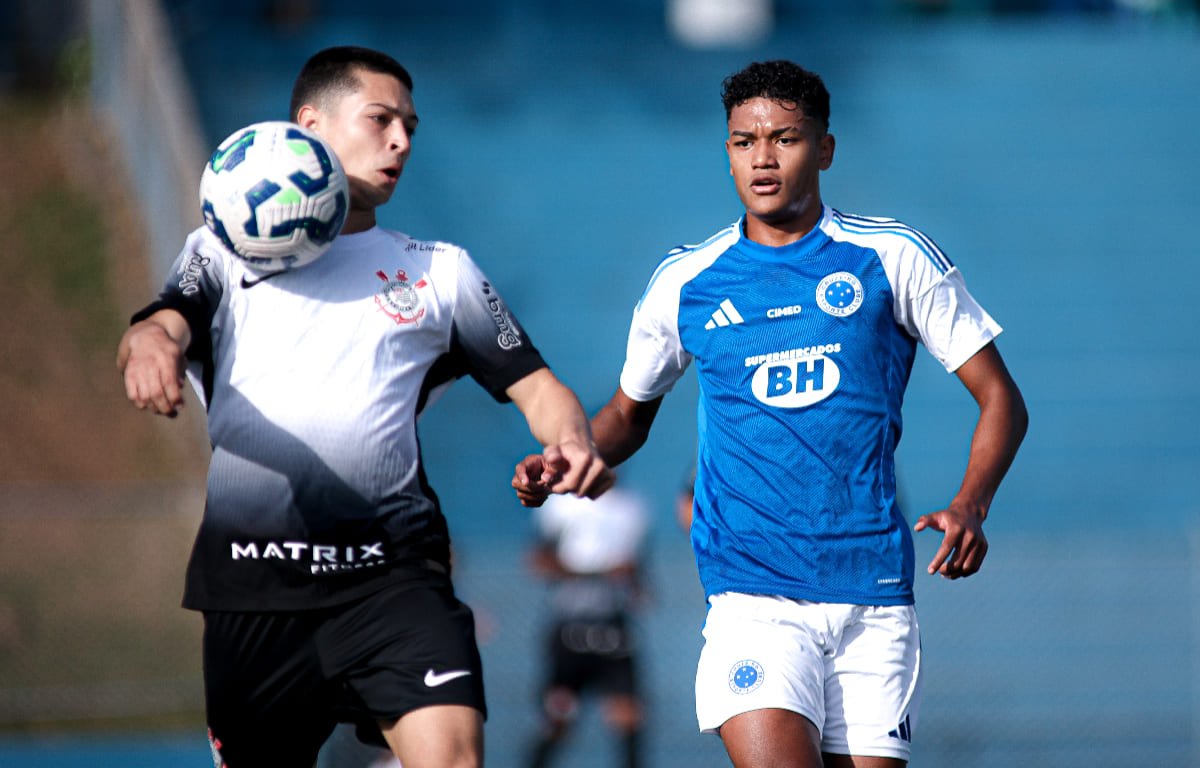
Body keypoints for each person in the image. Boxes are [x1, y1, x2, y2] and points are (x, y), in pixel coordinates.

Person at [514, 59, 1028, 768]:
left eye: (785, 138)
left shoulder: (891, 256)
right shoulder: (687, 281)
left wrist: (971, 505)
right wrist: (571, 455)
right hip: (751, 595)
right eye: (743, 141)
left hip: (874, 594)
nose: (762, 157)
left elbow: (1001, 398)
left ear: (825, 148)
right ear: (727, 150)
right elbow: (627, 418)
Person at [117, 45, 612, 768]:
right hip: (255, 589)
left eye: (411, 126)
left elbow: (537, 386)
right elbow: (161, 323)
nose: (402, 140)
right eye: (381, 119)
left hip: (394, 578)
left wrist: (571, 440)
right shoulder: (222, 249)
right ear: (309, 125)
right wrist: (150, 348)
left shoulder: (438, 271)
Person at [524, 486, 650, 768]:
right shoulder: (560, 506)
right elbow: (539, 561)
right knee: (558, 719)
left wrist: (636, 585)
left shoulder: (632, 508)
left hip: (612, 625)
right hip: (570, 625)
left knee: (629, 718)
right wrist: (595, 573)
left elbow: (638, 572)